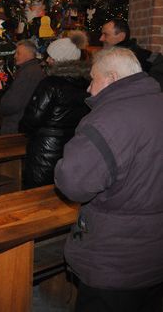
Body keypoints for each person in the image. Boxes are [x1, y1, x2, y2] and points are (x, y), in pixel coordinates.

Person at [54, 47, 163, 312]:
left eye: (93, 79)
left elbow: (73, 182)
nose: (89, 89)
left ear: (112, 78)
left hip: (115, 259)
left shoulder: (108, 120)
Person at [19, 37, 90, 189]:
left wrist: (24, 128)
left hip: (46, 149)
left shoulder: (51, 83)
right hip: (71, 146)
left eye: (51, 57)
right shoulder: (85, 83)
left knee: (37, 192)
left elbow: (33, 117)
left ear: (58, 60)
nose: (47, 60)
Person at [100, 18, 163, 89]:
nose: (101, 39)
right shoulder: (104, 57)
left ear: (121, 36)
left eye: (106, 35)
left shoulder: (147, 60)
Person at [0, 39, 45, 134]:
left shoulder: (28, 73)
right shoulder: (32, 70)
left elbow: (13, 103)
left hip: (16, 125)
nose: (15, 56)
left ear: (28, 54)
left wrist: (2, 107)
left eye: (18, 53)